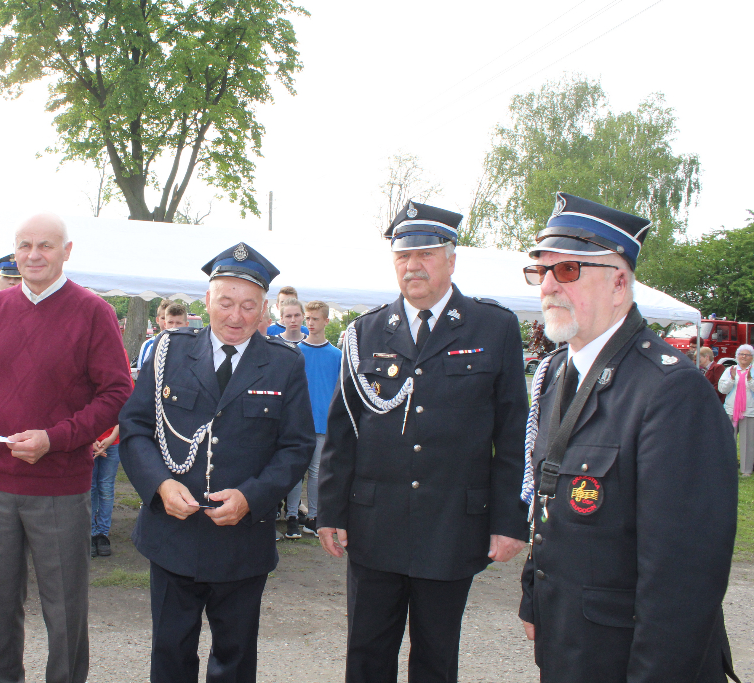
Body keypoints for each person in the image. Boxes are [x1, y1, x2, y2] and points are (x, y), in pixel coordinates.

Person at [519, 192, 738, 681]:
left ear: (619, 281)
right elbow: (547, 501)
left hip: (629, 657)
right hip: (568, 645)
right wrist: (535, 597)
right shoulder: (557, 373)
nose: (549, 287)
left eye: (568, 271)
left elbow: (683, 581)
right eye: (541, 272)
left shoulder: (670, 391)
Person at [317, 200, 529, 683]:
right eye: (402, 257)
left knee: (436, 657)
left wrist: (510, 520)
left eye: (426, 254)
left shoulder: (492, 327)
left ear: (451, 259)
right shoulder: (363, 332)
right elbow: (343, 431)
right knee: (367, 652)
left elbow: (514, 434)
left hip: (452, 525)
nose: (413, 265)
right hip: (375, 524)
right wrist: (330, 510)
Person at [0, 213, 133, 683]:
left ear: (66, 251)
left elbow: (117, 393)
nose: (33, 254)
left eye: (45, 245)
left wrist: (56, 438)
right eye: (24, 245)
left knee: (64, 607)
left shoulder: (93, 312)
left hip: (59, 486)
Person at [119, 242, 315, 683]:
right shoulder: (168, 352)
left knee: (235, 658)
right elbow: (134, 428)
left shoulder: (284, 364)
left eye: (248, 306)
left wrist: (252, 497)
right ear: (206, 300)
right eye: (225, 302)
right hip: (174, 535)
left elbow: (296, 447)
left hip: (242, 541)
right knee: (170, 655)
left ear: (264, 309)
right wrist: (160, 486)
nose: (235, 315)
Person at [282, 300, 340, 539]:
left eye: (316, 319)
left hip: (322, 422)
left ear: (326, 321)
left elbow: (339, 389)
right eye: (309, 319)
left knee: (317, 472)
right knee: (297, 471)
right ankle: (292, 516)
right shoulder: (296, 352)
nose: (310, 323)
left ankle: (314, 517)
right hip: (298, 420)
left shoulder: (336, 354)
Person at [91, 346, 133, 559]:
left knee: (106, 487)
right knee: (89, 488)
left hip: (112, 439)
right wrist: (91, 440)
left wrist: (108, 440)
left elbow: (126, 406)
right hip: (88, 440)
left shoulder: (120, 359)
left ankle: (102, 533)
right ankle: (89, 532)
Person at [719, 343, 754, 476]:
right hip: (731, 410)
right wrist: (732, 378)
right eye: (741, 354)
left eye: (747, 355)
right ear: (737, 356)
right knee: (728, 440)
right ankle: (728, 468)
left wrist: (750, 379)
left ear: (752, 358)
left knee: (747, 442)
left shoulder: (753, 370)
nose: (744, 357)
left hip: (749, 411)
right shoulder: (729, 370)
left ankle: (746, 470)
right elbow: (722, 389)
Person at [138, 298, 175, 367]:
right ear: (157, 320)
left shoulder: (186, 344)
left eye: (170, 319)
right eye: (163, 318)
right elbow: (141, 372)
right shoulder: (148, 344)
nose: (166, 322)